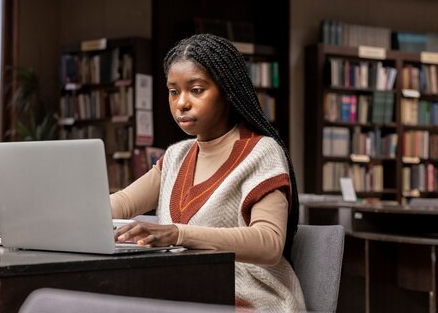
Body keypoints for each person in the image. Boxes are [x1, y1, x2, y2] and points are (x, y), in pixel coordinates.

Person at [110, 34, 305, 312]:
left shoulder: (261, 152)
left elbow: (269, 243)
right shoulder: (176, 156)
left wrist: (177, 234)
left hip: (248, 299)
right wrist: (61, 217)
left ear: (227, 91)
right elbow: (122, 203)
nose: (181, 103)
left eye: (197, 90)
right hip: (183, 294)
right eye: (174, 91)